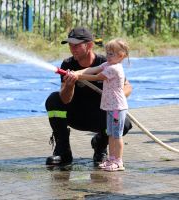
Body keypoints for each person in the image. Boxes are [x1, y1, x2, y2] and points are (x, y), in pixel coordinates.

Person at [45, 27, 132, 166]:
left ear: (90, 45)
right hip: (76, 115)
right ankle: (63, 152)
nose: (73, 49)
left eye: (77, 45)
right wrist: (69, 85)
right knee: (54, 100)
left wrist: (117, 96)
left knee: (123, 122)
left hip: (100, 113)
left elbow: (128, 86)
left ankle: (100, 146)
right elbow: (65, 99)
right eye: (70, 45)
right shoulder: (68, 65)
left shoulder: (106, 62)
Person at [73, 38, 129, 171]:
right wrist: (77, 72)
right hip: (110, 107)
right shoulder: (108, 64)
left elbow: (97, 77)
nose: (108, 56)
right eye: (107, 53)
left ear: (120, 56)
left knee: (116, 135)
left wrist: (79, 77)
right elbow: (93, 69)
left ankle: (118, 161)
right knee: (110, 133)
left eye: (111, 54)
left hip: (116, 108)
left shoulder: (114, 69)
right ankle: (111, 159)